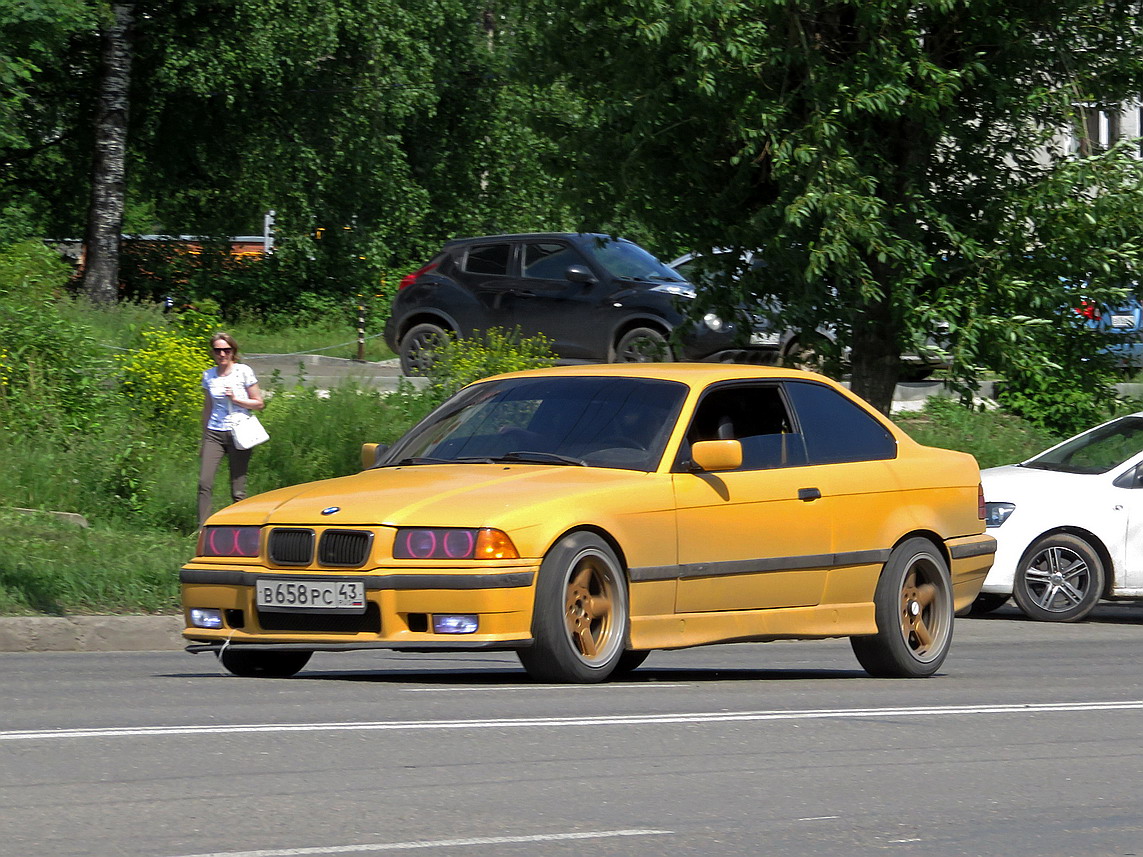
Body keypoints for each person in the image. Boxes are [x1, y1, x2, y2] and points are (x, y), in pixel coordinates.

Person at [198, 332, 264, 526]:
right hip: (214, 433)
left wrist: (236, 399)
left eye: (226, 350)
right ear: (212, 352)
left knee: (238, 487)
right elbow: (208, 407)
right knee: (204, 482)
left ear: (233, 351)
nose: (222, 354)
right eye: (218, 350)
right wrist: (203, 438)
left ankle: (240, 527)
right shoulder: (208, 375)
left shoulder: (243, 371)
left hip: (239, 431)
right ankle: (203, 528)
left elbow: (259, 403)